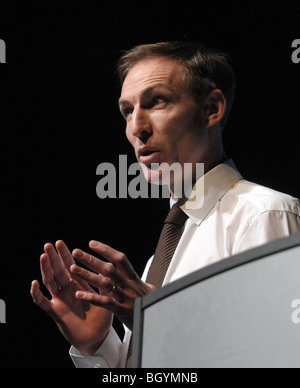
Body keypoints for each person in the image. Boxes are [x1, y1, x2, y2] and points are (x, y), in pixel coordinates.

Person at [30, 41, 300, 368]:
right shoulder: (158, 259)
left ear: (212, 109)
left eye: (157, 101)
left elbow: (278, 357)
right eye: (127, 110)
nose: (136, 127)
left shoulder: (264, 215)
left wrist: (158, 322)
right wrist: (98, 347)